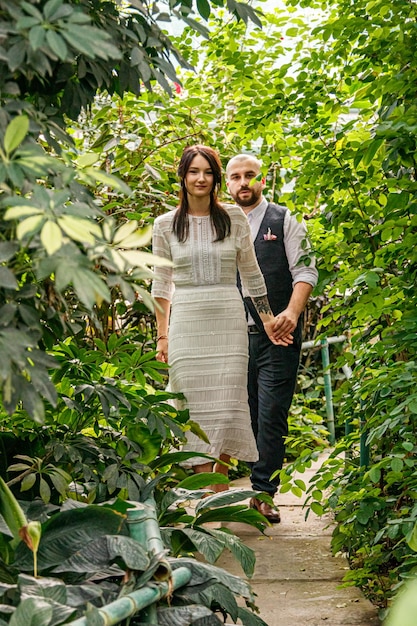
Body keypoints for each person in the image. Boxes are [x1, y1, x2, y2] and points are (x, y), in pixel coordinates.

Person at [151, 145, 288, 491]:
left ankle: (218, 490)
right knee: (194, 410)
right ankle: (208, 497)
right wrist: (162, 337)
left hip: (228, 322)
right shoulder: (164, 225)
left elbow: (252, 274)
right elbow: (161, 286)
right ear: (182, 176)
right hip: (186, 326)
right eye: (194, 171)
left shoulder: (234, 217)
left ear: (216, 178)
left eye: (208, 172)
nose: (201, 178)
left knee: (227, 411)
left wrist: (268, 320)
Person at [226, 154, 318, 522]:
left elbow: (306, 270)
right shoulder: (219, 224)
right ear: (227, 184)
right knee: (242, 415)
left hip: (277, 338)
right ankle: (232, 483)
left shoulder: (285, 220)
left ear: (262, 180)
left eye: (250, 176)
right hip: (232, 338)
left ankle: (264, 492)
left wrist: (291, 314)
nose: (243, 183)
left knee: (271, 416)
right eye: (236, 177)